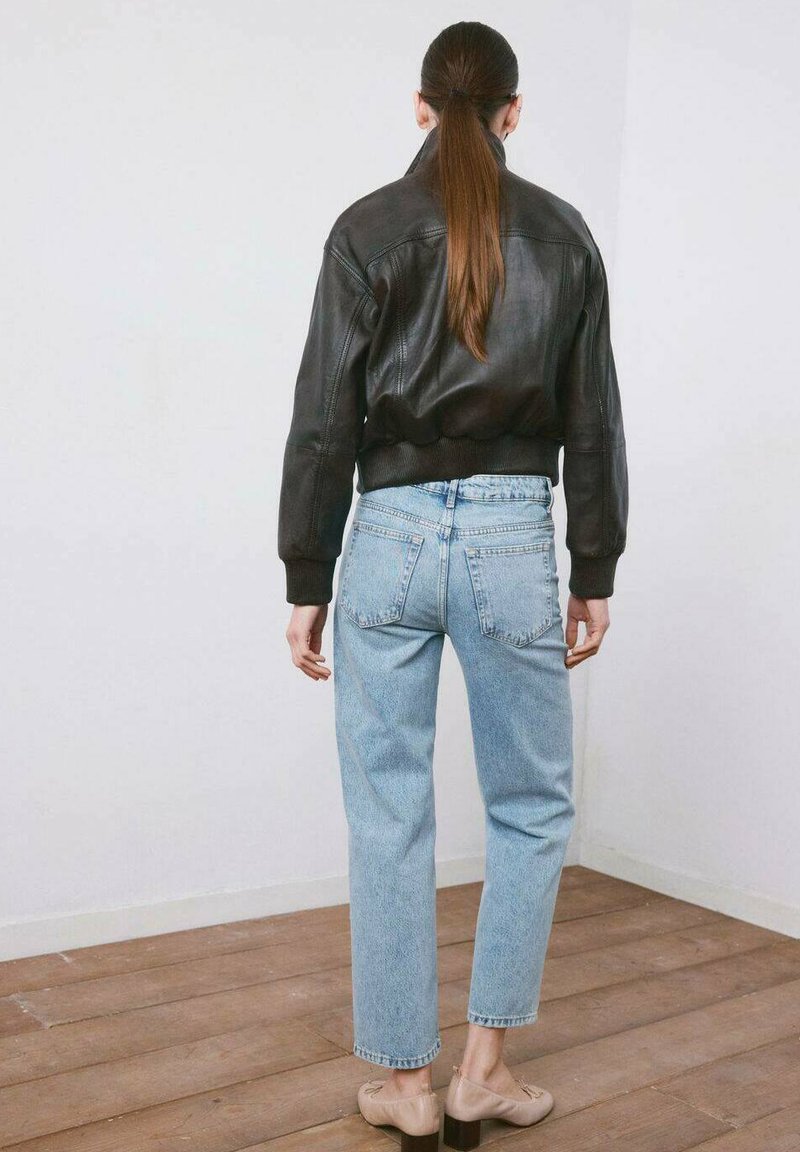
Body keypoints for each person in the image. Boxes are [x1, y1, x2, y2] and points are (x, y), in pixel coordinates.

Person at [277, 20, 628, 1152]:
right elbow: (593, 418)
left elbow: (323, 419)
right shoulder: (564, 235)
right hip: (512, 540)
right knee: (530, 809)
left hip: (385, 535)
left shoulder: (365, 230)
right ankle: (484, 1072)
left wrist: (306, 571)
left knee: (388, 813)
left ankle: (405, 1086)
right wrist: (592, 565)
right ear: (513, 112)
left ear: (420, 107)